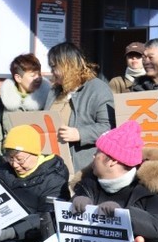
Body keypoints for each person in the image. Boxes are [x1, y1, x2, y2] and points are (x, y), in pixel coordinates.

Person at [43, 42, 115, 172]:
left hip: (83, 168)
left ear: (67, 66)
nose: (52, 72)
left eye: (54, 67)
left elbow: (110, 127)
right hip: (53, 166)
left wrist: (80, 134)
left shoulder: (98, 89)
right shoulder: (54, 91)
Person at [0, 54, 52, 180]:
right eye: (32, 75)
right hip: (11, 170)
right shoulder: (2, 104)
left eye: (39, 74)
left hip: (43, 173)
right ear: (18, 77)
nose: (38, 78)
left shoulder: (50, 100)